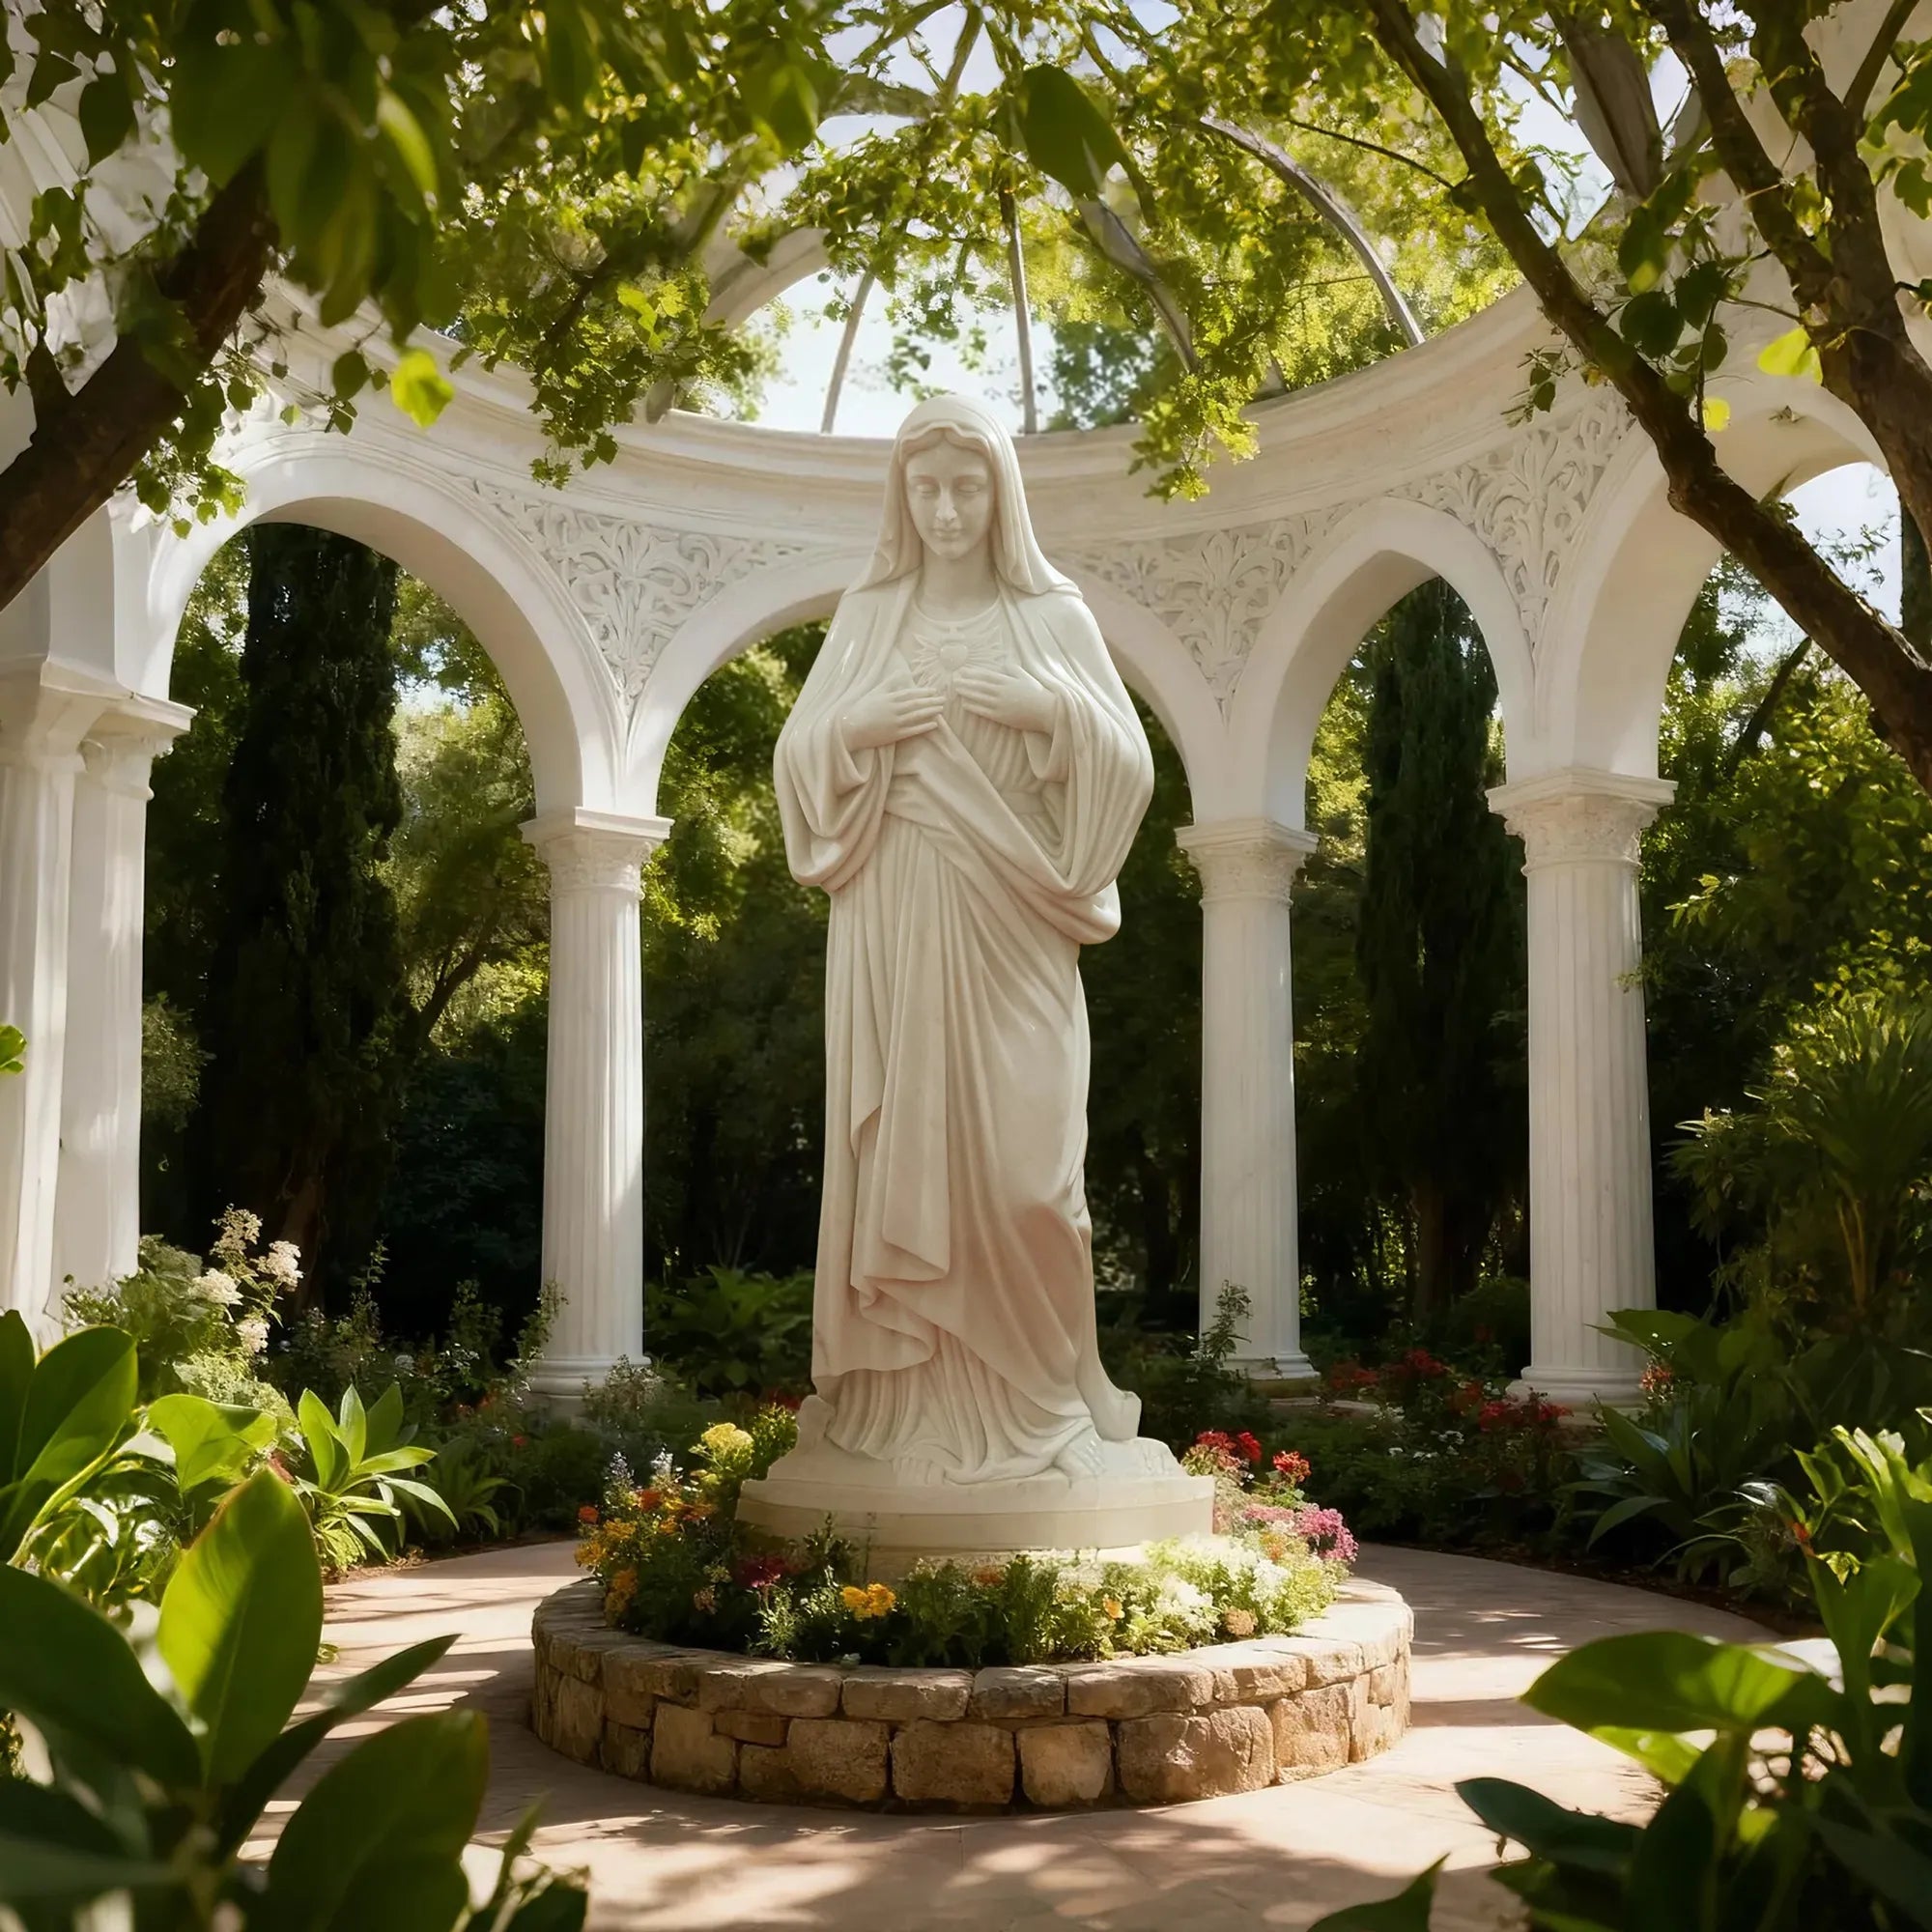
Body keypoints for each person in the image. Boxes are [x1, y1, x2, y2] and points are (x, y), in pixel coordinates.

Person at [774, 393, 1155, 1487]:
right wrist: (857, 726)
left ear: (1001, 493)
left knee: (1035, 1178)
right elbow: (799, 756)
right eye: (926, 487)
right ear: (901, 495)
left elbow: (1127, 764)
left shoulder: (1053, 618)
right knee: (905, 1148)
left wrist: (1049, 713)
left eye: (966, 487)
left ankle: (1051, 1401)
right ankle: (903, 1416)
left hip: (1019, 918)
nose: (945, 510)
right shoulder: (870, 614)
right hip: (898, 908)